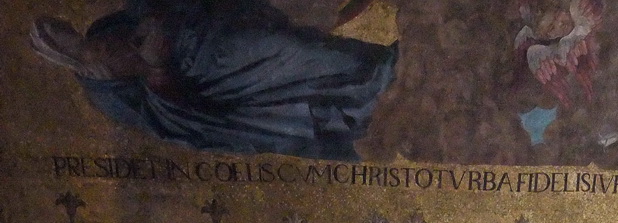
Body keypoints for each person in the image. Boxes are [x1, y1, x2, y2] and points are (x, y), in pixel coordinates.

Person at [30, 0, 397, 160]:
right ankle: (380, 84)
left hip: (214, 33)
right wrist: (157, 69)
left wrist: (156, 19)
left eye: (104, 45)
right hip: (220, 74)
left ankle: (384, 77)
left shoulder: (112, 25)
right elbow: (176, 121)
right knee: (289, 51)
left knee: (293, 45)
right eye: (104, 59)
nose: (108, 48)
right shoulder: (107, 92)